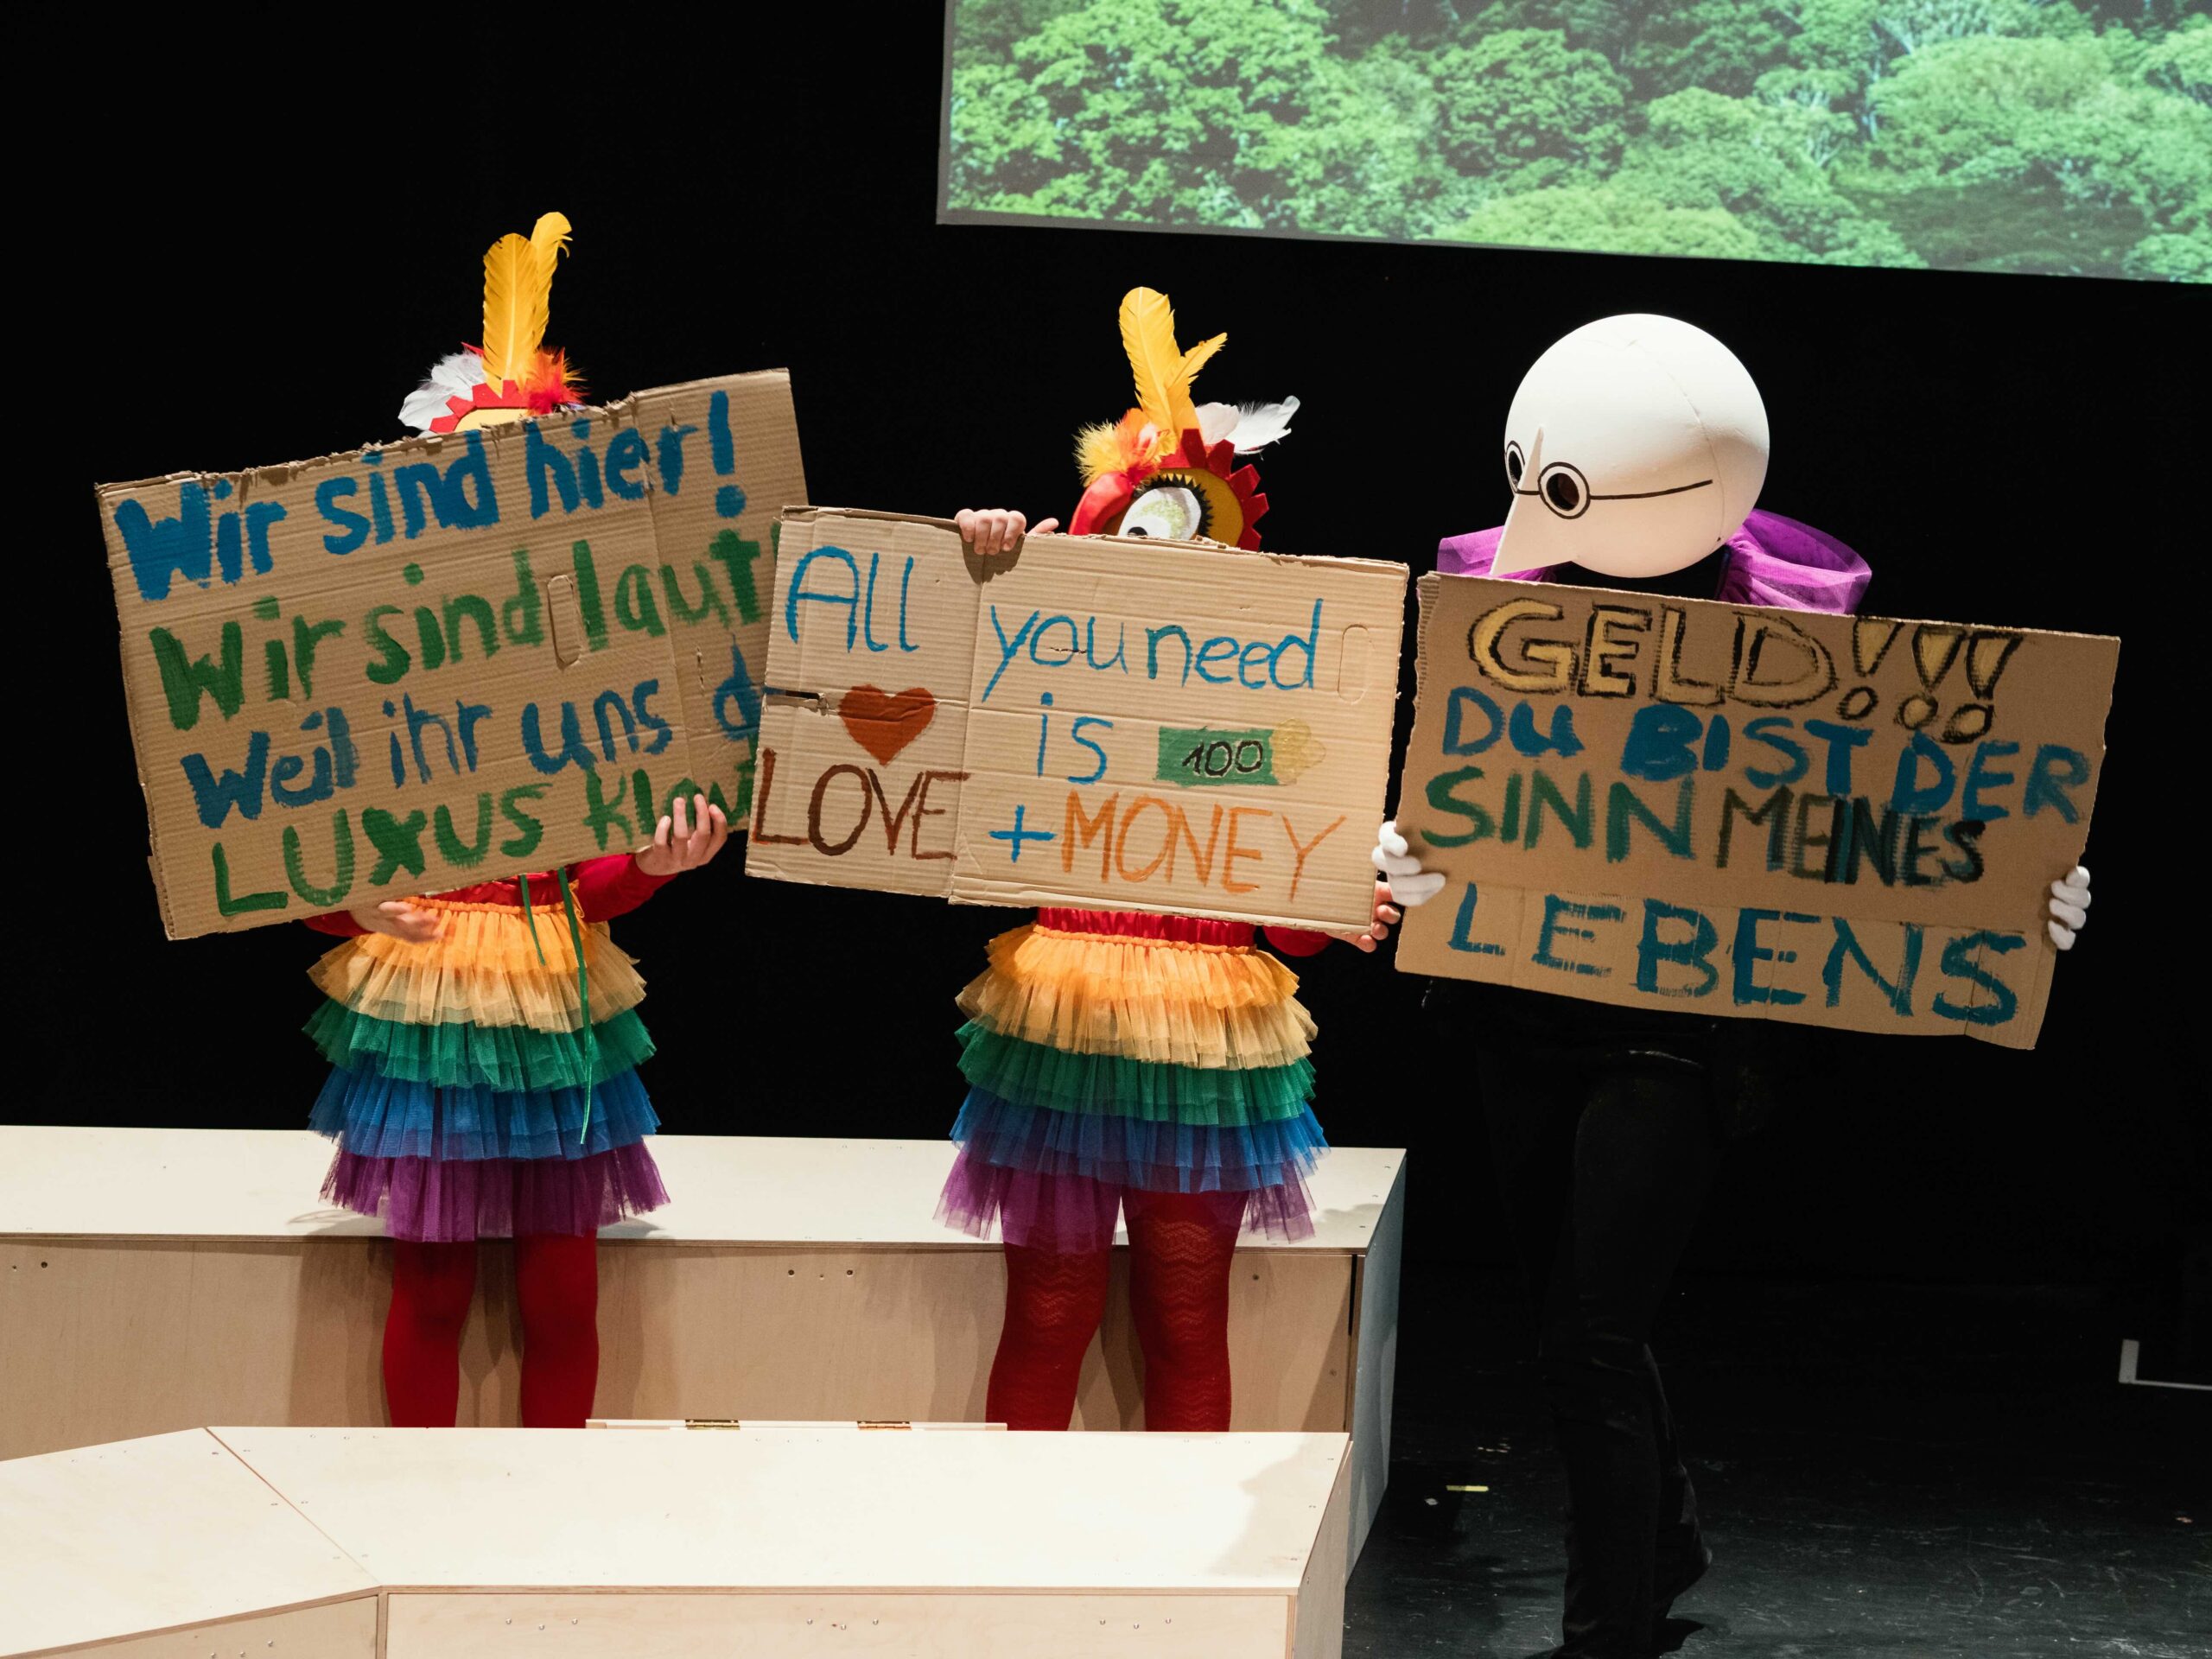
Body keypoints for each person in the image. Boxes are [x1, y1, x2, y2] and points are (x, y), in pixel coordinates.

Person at [1373, 315, 2094, 1658]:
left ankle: (1610, 1627)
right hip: (1518, 1008)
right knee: (1575, 1322)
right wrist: (1410, 855)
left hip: (1680, 1028)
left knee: (1593, 1334)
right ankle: (1668, 1540)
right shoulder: (1505, 608)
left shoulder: (1791, 631)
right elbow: (1458, 789)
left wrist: (2025, 892)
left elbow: (1898, 818)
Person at [939, 287, 1395, 1432]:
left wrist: (1331, 903)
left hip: (1208, 1035)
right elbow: (933, 715)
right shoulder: (1047, 666)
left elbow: (1281, 908)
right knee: (1048, 1312)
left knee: (1188, 1318)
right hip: (1067, 1016)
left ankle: (1183, 1544)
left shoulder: (1275, 719)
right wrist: (983, 567)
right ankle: (1010, 1530)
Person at [304, 213, 733, 1429]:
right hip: (431, 991)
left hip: (551, 990)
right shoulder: (374, 656)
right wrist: (352, 906)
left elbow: (589, 881)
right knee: (433, 1285)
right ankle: (419, 1505)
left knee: (562, 1288)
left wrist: (654, 865)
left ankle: (553, 1511)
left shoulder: (600, 656)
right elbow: (303, 843)